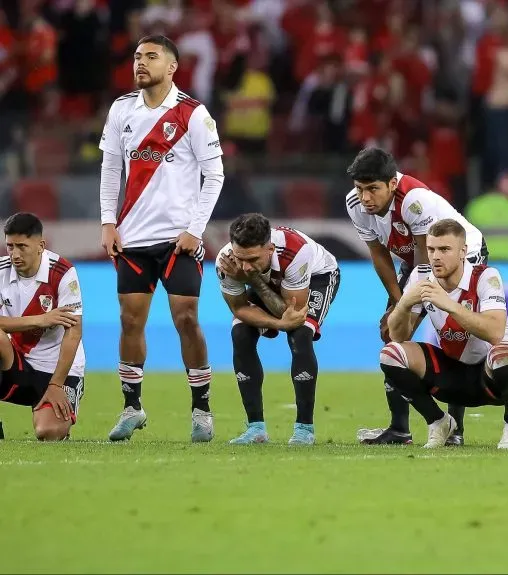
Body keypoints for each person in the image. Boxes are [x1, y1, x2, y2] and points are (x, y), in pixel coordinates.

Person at [99, 35, 224, 442]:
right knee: (129, 320)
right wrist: (107, 222)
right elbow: (110, 169)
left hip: (178, 241)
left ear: (172, 67)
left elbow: (215, 175)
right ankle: (132, 407)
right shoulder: (122, 110)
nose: (141, 63)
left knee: (186, 319)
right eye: (137, 56)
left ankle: (202, 410)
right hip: (132, 237)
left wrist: (195, 229)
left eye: (151, 57)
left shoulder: (193, 114)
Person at [346, 147, 487, 446]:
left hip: (459, 253)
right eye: (360, 189)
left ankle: (456, 430)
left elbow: (428, 260)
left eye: (373, 189)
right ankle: (400, 428)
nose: (365, 197)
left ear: (392, 184)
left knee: (454, 335)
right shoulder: (355, 204)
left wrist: (411, 304)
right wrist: (398, 302)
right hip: (416, 261)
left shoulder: (413, 201)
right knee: (392, 336)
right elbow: (379, 255)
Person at [382, 219, 508, 448]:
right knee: (391, 353)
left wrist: (449, 304)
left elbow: (496, 332)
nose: (436, 257)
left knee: (506, 355)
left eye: (444, 249)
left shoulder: (486, 276)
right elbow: (398, 336)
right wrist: (404, 304)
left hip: (489, 378)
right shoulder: (421, 278)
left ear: (463, 252)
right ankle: (438, 422)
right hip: (449, 375)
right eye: (431, 249)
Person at [215, 214, 339, 445]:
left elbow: (291, 313)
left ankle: (304, 429)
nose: (244, 266)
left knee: (300, 335)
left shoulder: (296, 252)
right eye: (241, 258)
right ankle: (255, 429)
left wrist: (253, 281)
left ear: (270, 249)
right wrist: (278, 323)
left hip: (317, 277)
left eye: (252, 258)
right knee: (240, 334)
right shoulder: (227, 261)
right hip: (265, 283)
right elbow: (239, 307)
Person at [0, 213, 85, 440]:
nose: (15, 254)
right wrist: (40, 319)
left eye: (22, 247)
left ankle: (58, 403)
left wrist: (56, 384)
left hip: (55, 371)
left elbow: (74, 332)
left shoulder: (63, 273)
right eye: (10, 246)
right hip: (16, 363)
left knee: (48, 432)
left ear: (41, 245)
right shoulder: (1, 270)